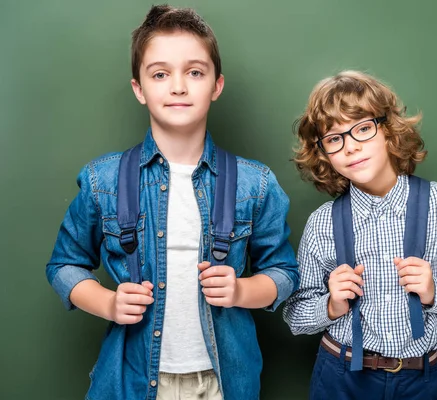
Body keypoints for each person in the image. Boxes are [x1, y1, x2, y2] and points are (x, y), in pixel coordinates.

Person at [45, 5, 298, 400]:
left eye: (195, 72)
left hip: (223, 384)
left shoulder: (256, 183)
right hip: (130, 381)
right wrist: (108, 302)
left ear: (216, 85)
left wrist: (241, 291)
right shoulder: (103, 180)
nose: (178, 86)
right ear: (139, 89)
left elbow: (283, 272)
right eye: (160, 74)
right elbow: (63, 265)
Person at [283, 70, 437, 399]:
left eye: (363, 129)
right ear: (324, 152)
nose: (351, 147)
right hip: (341, 377)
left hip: (420, 378)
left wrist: (434, 291)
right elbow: (295, 314)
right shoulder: (322, 223)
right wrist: (331, 305)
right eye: (334, 138)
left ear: (388, 130)